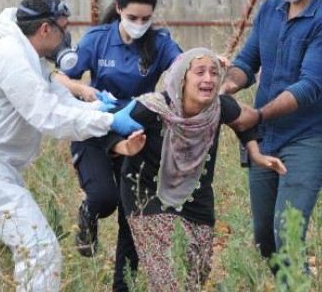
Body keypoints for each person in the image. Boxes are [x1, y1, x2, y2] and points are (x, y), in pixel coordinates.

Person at [0, 0, 143, 292]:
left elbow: (58, 100)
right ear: (46, 29)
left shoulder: (28, 59)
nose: (68, 37)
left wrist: (98, 108)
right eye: (65, 28)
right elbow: (47, 116)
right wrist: (110, 122)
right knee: (40, 250)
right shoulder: (10, 56)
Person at [97, 48, 286, 291]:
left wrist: (256, 154)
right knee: (171, 279)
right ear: (182, 79)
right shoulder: (152, 108)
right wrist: (125, 147)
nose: (208, 78)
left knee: (195, 276)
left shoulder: (218, 107)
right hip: (147, 197)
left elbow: (244, 122)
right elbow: (107, 129)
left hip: (196, 200)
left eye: (213, 73)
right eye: (199, 72)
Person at [220, 0, 322, 267]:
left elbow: (310, 86)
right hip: (265, 139)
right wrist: (227, 86)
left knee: (287, 235)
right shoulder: (270, 10)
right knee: (265, 239)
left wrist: (257, 116)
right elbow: (247, 62)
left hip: (306, 140)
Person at [55, 0, 182, 290]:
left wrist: (205, 63)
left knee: (132, 217)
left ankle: (121, 286)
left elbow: (183, 68)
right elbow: (58, 77)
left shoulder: (160, 42)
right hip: (96, 130)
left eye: (146, 18)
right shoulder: (98, 39)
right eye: (132, 17)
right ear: (119, 9)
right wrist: (82, 90)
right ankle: (88, 213)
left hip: (137, 135)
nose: (139, 24)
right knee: (104, 199)